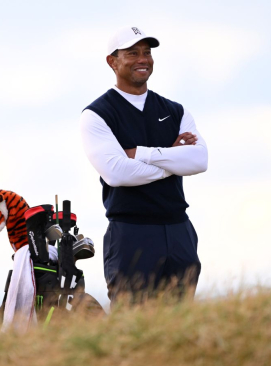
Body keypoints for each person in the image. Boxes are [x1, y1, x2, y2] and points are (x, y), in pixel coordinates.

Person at [80, 26, 208, 303]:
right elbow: (117, 173)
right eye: (133, 53)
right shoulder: (96, 114)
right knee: (132, 319)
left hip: (179, 229)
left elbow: (199, 160)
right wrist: (173, 159)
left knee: (180, 321)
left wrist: (140, 153)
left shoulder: (175, 110)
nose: (143, 59)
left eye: (147, 52)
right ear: (112, 61)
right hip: (130, 232)